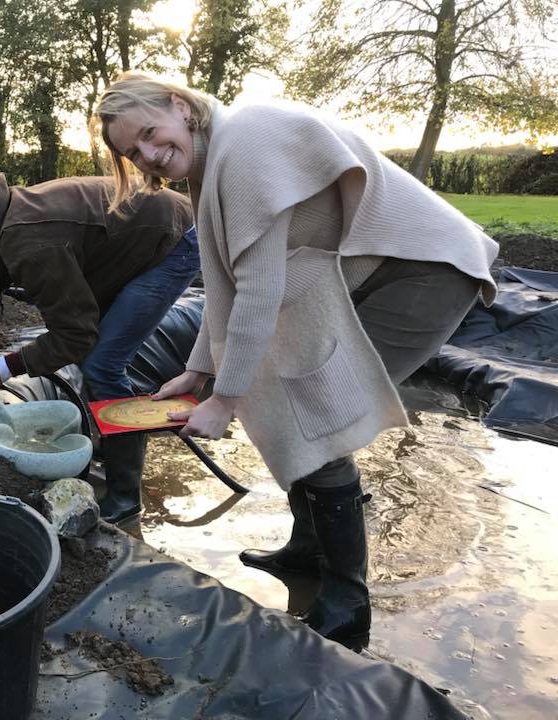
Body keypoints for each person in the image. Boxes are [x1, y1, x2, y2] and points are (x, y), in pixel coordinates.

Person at [93, 72, 498, 650]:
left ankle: (346, 601)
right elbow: (223, 280)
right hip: (353, 271)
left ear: (180, 107)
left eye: (152, 134)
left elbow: (259, 288)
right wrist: (200, 371)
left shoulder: (249, 142)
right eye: (135, 152)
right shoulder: (212, 167)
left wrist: (226, 399)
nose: (151, 156)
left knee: (318, 415)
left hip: (423, 271)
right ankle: (308, 550)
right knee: (288, 391)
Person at [0, 172, 198, 522]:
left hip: (171, 240)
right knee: (98, 352)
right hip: (123, 243)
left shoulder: (31, 240)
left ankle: (125, 497)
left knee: (102, 362)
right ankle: (117, 439)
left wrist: (1, 370)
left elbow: (75, 335)